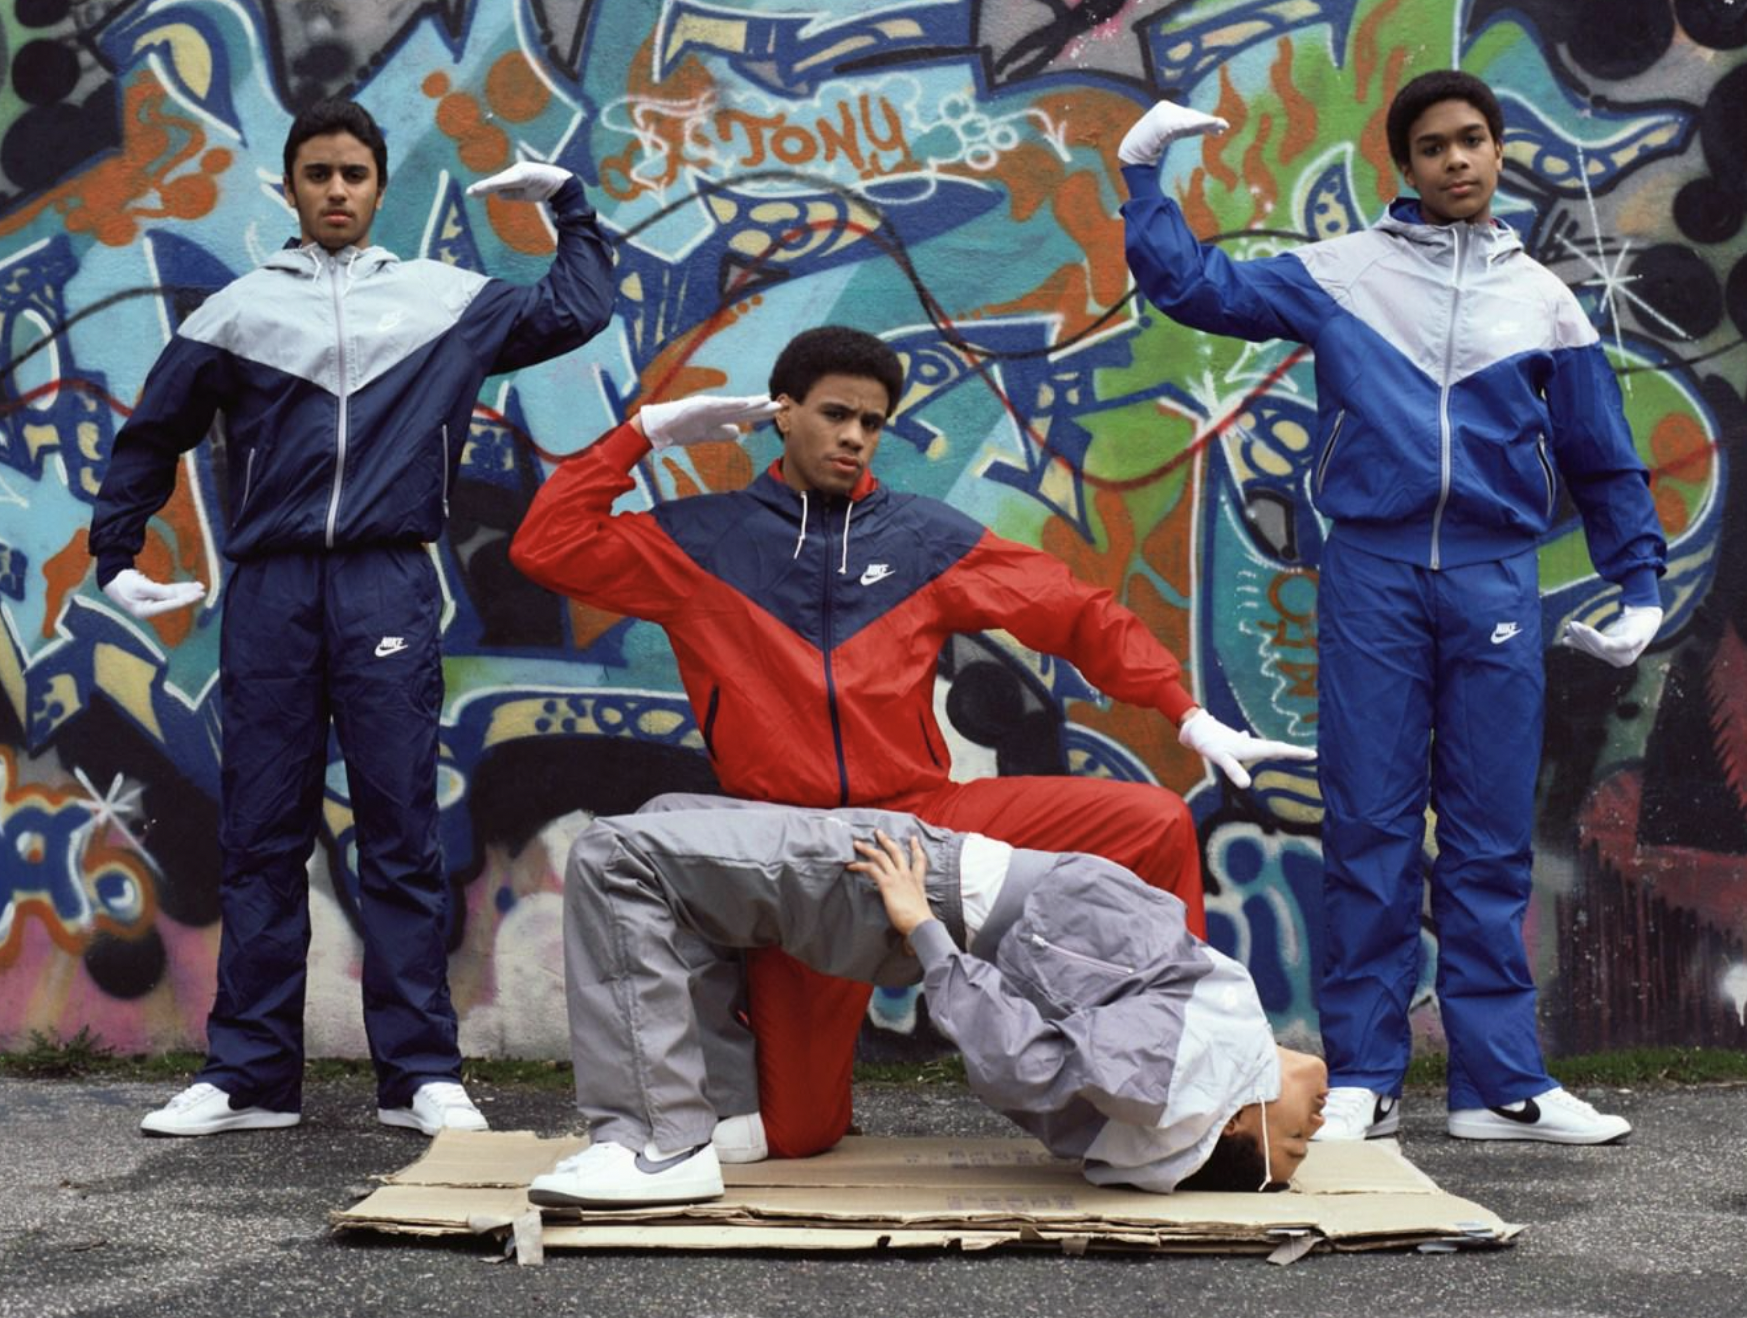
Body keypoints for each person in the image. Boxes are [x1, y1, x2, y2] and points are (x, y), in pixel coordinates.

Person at [508, 327, 1315, 1160]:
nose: (855, 436)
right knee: (801, 1133)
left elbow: (1072, 609)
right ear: (783, 413)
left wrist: (1184, 711)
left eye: (872, 422)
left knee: (1151, 823)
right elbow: (545, 546)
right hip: (795, 856)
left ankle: (1197, 1071)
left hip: (926, 825)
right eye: (835, 414)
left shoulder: (920, 537)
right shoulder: (702, 542)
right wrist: (646, 432)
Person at [1117, 70, 1665, 1145]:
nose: (1456, 158)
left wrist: (1639, 579)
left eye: (1472, 139)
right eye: (1432, 145)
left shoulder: (1545, 300)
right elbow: (1194, 287)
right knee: (1368, 824)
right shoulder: (1343, 272)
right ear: (1405, 165)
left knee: (1490, 833)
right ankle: (1365, 1076)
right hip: (1373, 570)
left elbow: (1601, 455)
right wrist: (1142, 175)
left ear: (1498, 150)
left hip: (1495, 576)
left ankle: (1499, 1087)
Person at [87, 97, 614, 1137]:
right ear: (289, 187)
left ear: (378, 188)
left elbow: (575, 309)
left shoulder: (442, 301)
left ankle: (419, 1074)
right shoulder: (237, 312)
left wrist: (570, 205)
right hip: (272, 589)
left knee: (400, 831)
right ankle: (250, 1077)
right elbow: (152, 431)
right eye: (318, 173)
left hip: (387, 581)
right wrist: (116, 554)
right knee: (260, 833)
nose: (336, 190)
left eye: (354, 174)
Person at [530, 794, 1328, 1208]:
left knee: (616, 855)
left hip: (917, 883)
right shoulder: (1210, 1034)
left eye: (1294, 1140)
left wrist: (921, 926)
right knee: (669, 820)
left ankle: (657, 1147)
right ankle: (722, 1118)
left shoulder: (1185, 1069)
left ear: (1234, 1119)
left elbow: (1027, 1065)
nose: (1316, 1127)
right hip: (933, 871)